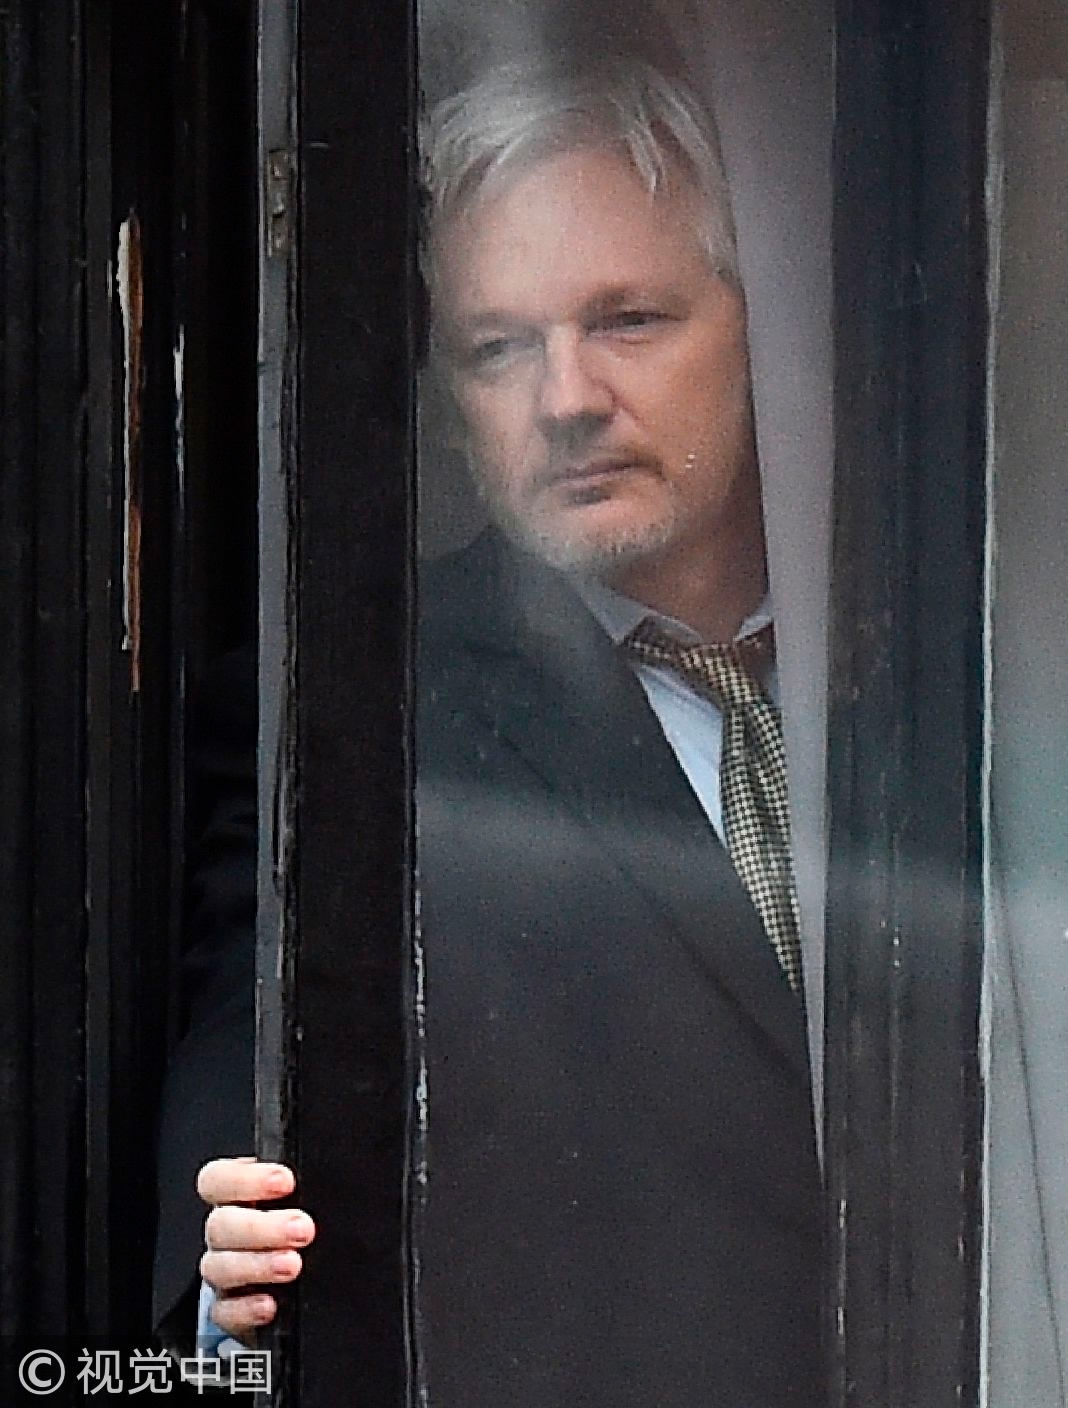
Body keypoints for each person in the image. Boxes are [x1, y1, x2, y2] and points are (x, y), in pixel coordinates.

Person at [153, 52, 821, 1405]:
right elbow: (250, 1076)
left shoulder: (953, 650)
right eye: (499, 348)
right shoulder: (355, 709)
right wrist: (226, 1275)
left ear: (769, 329)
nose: (565, 398)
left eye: (628, 320)